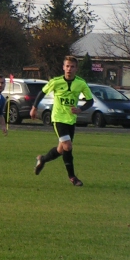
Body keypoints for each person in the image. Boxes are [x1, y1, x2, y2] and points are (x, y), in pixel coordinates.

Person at [29, 55, 93, 187]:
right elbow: (42, 92)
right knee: (68, 146)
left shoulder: (81, 83)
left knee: (61, 150)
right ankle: (73, 177)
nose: (69, 69)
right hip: (58, 118)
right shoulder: (56, 81)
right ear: (63, 67)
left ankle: (42, 159)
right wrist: (34, 107)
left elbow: (90, 100)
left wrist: (80, 109)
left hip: (71, 120)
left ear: (76, 68)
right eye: (67, 66)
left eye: (72, 66)